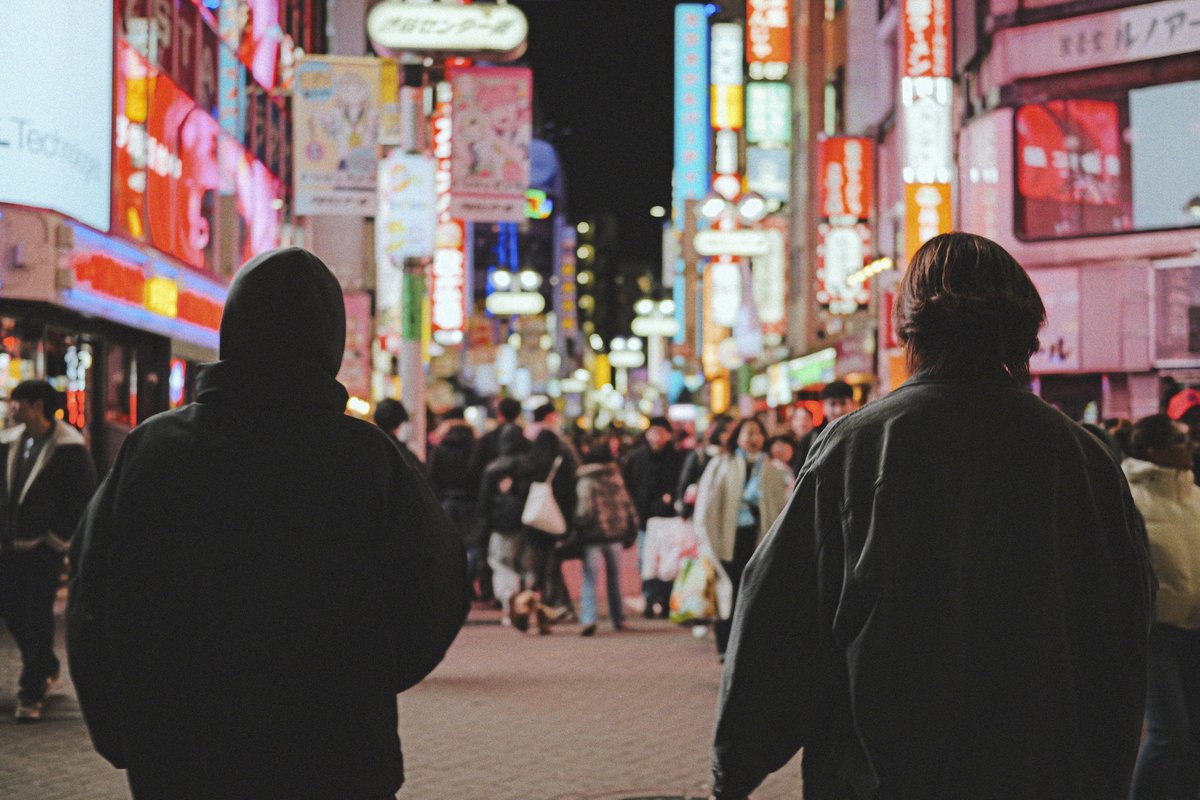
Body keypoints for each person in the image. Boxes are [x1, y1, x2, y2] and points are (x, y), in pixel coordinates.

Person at [710, 232, 1155, 800]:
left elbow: (783, 617)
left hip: (882, 772)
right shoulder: (1082, 456)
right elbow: (1122, 625)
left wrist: (735, 767)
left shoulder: (858, 446)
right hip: (1041, 768)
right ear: (1025, 328)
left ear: (910, 327)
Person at [67, 248, 469, 800]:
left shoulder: (154, 449)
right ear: (329, 341)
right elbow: (437, 585)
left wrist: (120, 724)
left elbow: (92, 594)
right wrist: (366, 673)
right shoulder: (367, 459)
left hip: (182, 748)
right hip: (335, 749)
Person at [0, 380, 97, 721]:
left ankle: (31, 691)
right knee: (11, 608)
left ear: (36, 406)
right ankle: (46, 666)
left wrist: (57, 539)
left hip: (44, 549)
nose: (11, 408)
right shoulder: (10, 441)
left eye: (17, 402)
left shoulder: (69, 447)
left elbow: (82, 497)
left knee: (37, 614)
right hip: (9, 546)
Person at [1123, 414, 1200, 800]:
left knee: (1194, 735)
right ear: (1152, 449)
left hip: (1195, 629)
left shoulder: (1195, 495)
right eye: (1178, 440)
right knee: (1170, 732)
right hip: (1157, 633)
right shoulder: (1131, 497)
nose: (1189, 447)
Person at [693, 416, 791, 661]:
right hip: (727, 539)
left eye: (757, 432)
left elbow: (782, 506)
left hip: (758, 539)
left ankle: (748, 648)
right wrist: (704, 539)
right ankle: (726, 647)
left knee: (753, 593)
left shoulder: (773, 470)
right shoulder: (721, 464)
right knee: (728, 591)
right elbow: (706, 504)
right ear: (737, 437)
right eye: (748, 432)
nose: (752, 438)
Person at [572, 438, 640, 637]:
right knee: (615, 578)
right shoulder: (615, 477)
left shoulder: (586, 480)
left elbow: (584, 511)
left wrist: (577, 525)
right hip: (615, 535)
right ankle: (618, 618)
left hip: (592, 536)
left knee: (590, 578)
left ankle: (589, 618)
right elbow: (628, 505)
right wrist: (631, 528)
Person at [622, 416, 684, 619]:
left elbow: (682, 484)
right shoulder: (636, 458)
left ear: (669, 435)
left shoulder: (677, 458)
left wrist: (671, 497)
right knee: (645, 560)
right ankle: (649, 599)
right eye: (653, 432)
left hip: (669, 519)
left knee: (669, 560)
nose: (657, 437)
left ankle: (666, 601)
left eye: (661, 432)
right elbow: (627, 485)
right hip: (644, 520)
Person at [520, 429, 578, 618]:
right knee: (553, 566)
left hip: (533, 522)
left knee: (533, 565)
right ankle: (554, 603)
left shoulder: (529, 463)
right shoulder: (560, 463)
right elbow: (569, 494)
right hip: (554, 521)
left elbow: (521, 491)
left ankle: (530, 605)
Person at [428, 408, 484, 602]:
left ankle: (453, 584)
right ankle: (467, 580)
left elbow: (432, 477)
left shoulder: (440, 448)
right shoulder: (476, 447)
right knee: (473, 545)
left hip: (447, 502)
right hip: (472, 503)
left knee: (449, 545)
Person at [479, 424, 532, 614]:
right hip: (527, 520)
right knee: (524, 564)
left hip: (500, 522)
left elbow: (484, 501)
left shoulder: (494, 467)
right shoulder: (529, 466)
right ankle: (526, 601)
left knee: (501, 563)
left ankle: (509, 599)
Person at [793, 379, 857, 471]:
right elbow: (800, 473)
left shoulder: (861, 433)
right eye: (832, 404)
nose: (838, 410)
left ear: (852, 404)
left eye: (843, 403)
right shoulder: (811, 439)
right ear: (824, 406)